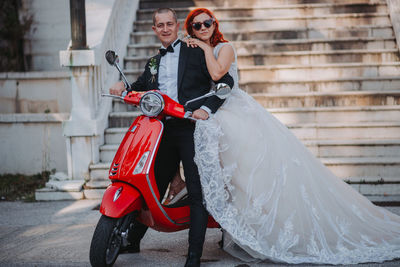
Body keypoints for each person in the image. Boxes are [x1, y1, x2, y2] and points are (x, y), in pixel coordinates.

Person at [168, 7, 400, 265]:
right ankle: (229, 223)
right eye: (196, 26)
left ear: (214, 24)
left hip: (234, 112)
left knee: (250, 173)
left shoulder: (224, 47)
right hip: (212, 112)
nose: (202, 29)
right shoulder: (194, 50)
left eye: (206, 23)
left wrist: (203, 48)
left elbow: (216, 75)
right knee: (230, 176)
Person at [109, 8, 234, 267]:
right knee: (150, 183)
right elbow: (144, 82)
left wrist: (206, 109)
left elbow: (226, 82)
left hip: (190, 128)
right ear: (154, 30)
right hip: (160, 129)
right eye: (160, 25)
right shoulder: (154, 60)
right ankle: (131, 239)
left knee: (197, 192)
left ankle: (193, 256)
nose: (165, 29)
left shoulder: (195, 49)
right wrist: (125, 87)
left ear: (177, 26)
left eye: (169, 24)